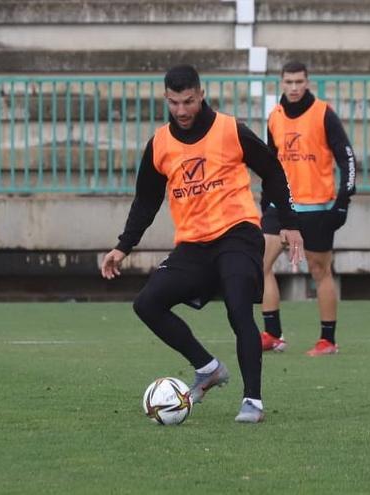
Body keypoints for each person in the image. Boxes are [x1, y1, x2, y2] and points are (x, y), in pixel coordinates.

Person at [100, 65, 304, 423]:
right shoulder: (160, 143)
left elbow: (272, 170)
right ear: (166, 98)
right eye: (174, 102)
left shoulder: (230, 129)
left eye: (189, 101)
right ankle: (208, 367)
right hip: (193, 246)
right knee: (147, 303)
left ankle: (252, 401)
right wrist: (123, 246)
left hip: (237, 234)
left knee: (239, 308)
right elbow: (146, 200)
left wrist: (289, 222)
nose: (182, 110)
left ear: (201, 94)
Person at [260, 61, 356, 356]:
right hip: (281, 207)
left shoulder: (324, 113)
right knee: (259, 265)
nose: (293, 87)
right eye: (288, 81)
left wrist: (343, 202)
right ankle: (273, 334)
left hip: (316, 207)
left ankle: (328, 340)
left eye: (299, 81)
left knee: (319, 271)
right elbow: (269, 163)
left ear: (307, 82)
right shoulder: (274, 117)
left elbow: (347, 159)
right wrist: (265, 199)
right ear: (281, 82)